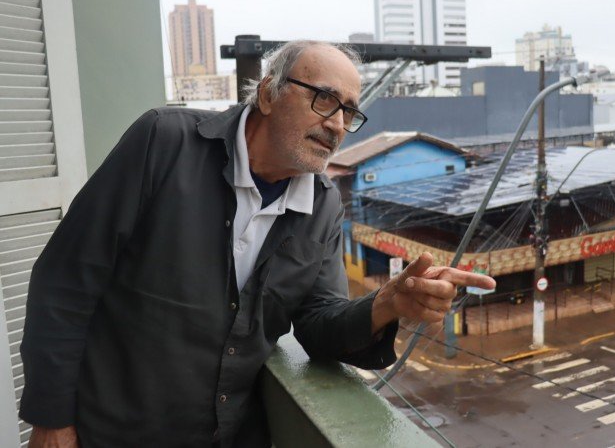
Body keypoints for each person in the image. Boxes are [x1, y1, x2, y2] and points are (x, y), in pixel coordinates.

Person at [19, 40, 496, 447]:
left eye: (349, 111)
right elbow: (65, 280)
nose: (336, 124)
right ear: (268, 93)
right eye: (325, 99)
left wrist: (388, 303)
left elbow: (318, 324)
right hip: (114, 432)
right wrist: (52, 418)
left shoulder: (323, 206)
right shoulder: (163, 143)